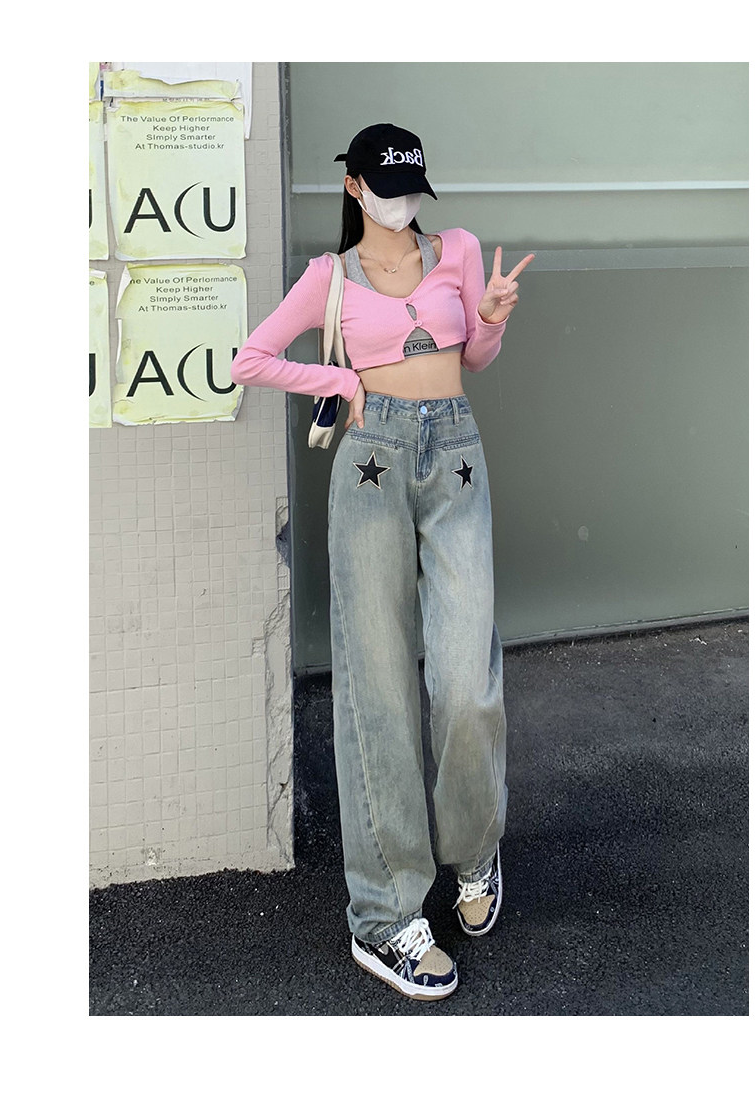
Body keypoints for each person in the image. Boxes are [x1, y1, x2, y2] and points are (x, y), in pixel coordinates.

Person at [231, 123, 533, 1001]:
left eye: (412, 191)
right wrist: (340, 383)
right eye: (388, 190)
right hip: (372, 460)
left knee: (466, 678)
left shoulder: (459, 250)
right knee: (378, 687)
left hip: (457, 456)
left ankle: (474, 852)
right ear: (356, 188)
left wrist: (490, 317)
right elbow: (251, 358)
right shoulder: (328, 277)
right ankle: (385, 913)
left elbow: (475, 359)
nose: (403, 205)